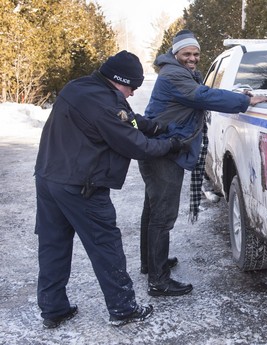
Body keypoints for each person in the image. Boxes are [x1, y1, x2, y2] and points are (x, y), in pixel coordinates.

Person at [34, 50, 185, 328]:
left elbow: (128, 120)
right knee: (106, 246)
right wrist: (171, 144)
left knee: (53, 245)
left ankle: (53, 309)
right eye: (132, 87)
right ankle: (123, 309)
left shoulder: (80, 86)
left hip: (47, 178)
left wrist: (153, 126)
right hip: (82, 186)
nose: (132, 94)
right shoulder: (105, 104)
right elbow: (136, 146)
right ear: (119, 80)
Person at [139, 30, 267, 296]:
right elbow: (203, 97)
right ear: (176, 53)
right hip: (164, 153)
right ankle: (158, 281)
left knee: (153, 212)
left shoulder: (179, 73)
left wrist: (238, 94)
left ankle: (151, 264)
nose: (193, 58)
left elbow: (205, 91)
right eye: (187, 53)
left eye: (196, 54)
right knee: (162, 217)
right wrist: (245, 101)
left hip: (160, 150)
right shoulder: (174, 75)